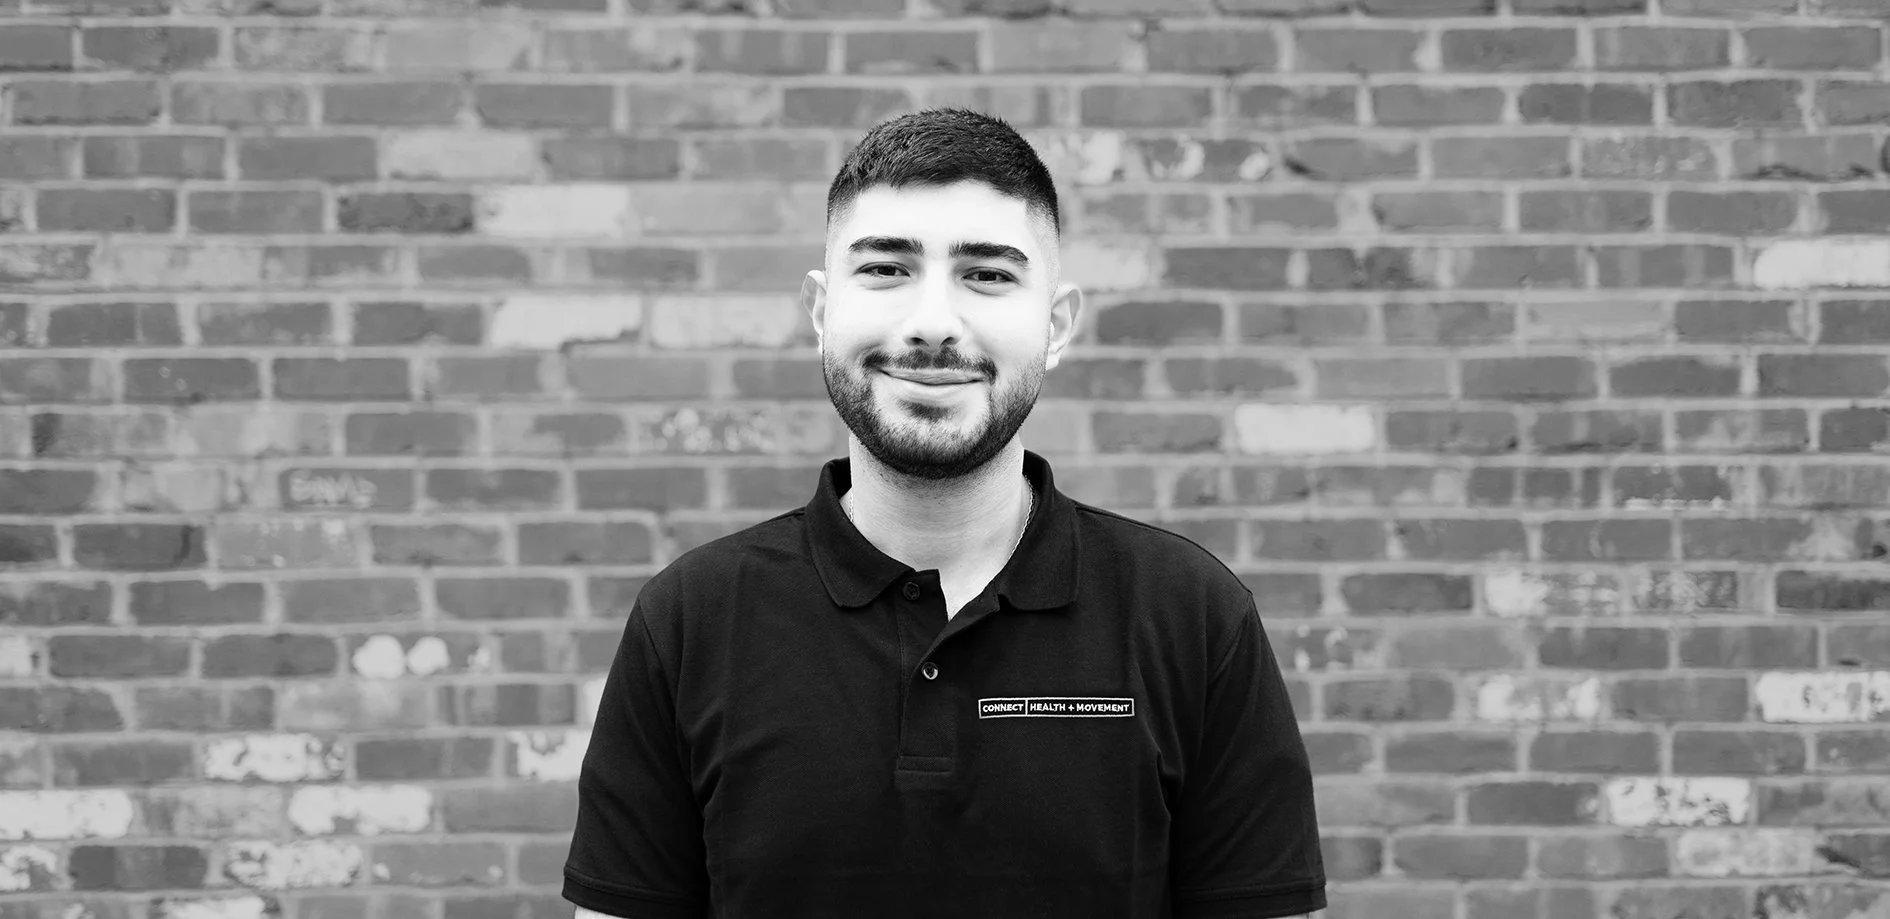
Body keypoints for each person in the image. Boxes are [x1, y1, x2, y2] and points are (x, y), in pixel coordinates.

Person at [563, 107, 1326, 919]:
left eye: (988, 273)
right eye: (887, 269)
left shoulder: (1191, 617)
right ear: (822, 311)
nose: (932, 324)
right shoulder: (690, 622)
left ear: (1057, 324)